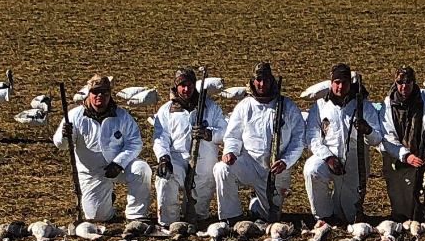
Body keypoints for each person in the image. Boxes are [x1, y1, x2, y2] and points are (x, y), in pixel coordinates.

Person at [304, 63, 401, 225]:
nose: (340, 87)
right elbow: (312, 137)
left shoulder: (363, 106)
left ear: (350, 83)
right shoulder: (320, 106)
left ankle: (339, 211)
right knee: (312, 169)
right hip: (328, 157)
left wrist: (367, 130)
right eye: (337, 82)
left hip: (355, 161)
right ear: (331, 82)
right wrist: (328, 158)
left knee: (349, 217)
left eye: (345, 83)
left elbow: (377, 139)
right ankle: (324, 217)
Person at [54, 74, 153, 224]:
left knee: (141, 169)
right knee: (96, 217)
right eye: (95, 92)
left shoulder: (122, 116)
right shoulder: (75, 116)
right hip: (92, 172)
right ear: (89, 93)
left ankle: (136, 216)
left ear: (109, 94)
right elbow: (60, 145)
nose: (100, 96)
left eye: (104, 92)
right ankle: (107, 202)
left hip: (119, 167)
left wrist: (119, 163)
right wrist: (64, 135)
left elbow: (135, 143)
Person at [214, 62, 307, 221]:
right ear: (252, 81)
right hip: (249, 163)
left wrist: (285, 161)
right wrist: (230, 152)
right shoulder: (244, 106)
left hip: (276, 168)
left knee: (271, 217)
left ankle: (256, 203)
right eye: (258, 80)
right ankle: (231, 217)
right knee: (222, 169)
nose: (262, 84)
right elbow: (233, 135)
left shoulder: (288, 107)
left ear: (272, 81)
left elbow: (299, 139)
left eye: (266, 80)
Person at [152, 68, 226, 225]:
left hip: (204, 160)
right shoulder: (166, 110)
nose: (186, 89)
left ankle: (195, 215)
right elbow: (160, 138)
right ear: (176, 86)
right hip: (176, 158)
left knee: (198, 215)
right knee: (165, 177)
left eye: (190, 85)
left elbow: (226, 131)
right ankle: (169, 223)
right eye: (182, 85)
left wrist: (209, 134)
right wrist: (163, 157)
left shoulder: (211, 107)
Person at [382, 66, 425, 222]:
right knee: (403, 213)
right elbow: (387, 136)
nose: (404, 86)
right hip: (400, 158)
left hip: (424, 156)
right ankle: (410, 212)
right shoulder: (388, 104)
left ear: (414, 82)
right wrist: (406, 156)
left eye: (408, 82)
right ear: (395, 82)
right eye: (400, 82)